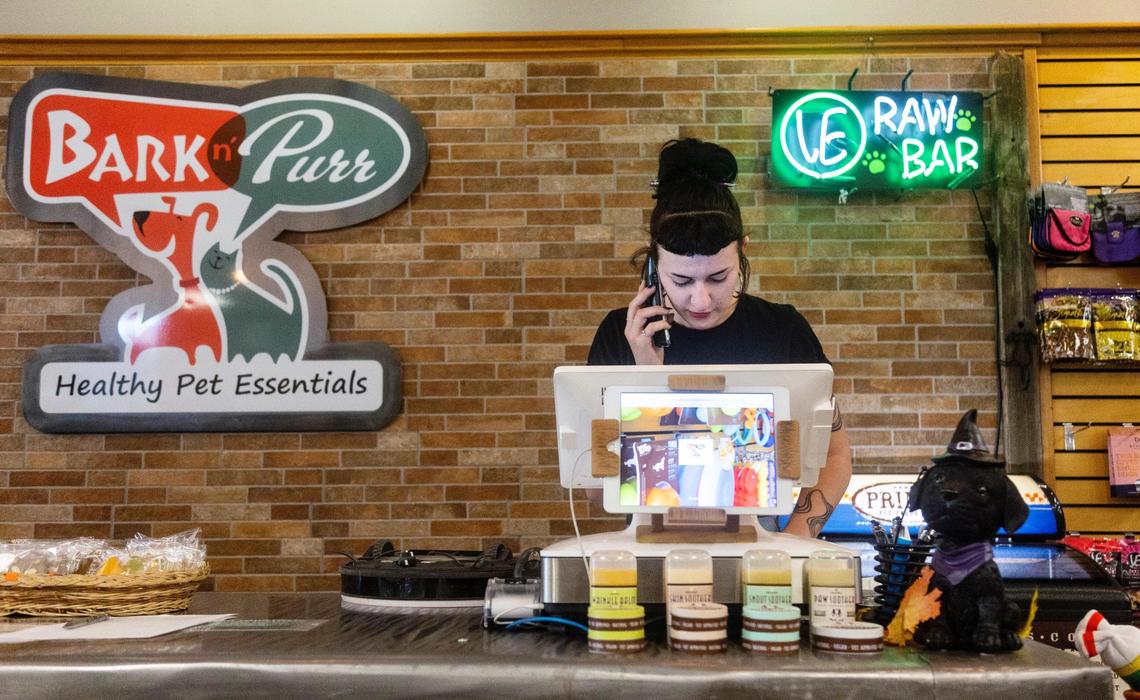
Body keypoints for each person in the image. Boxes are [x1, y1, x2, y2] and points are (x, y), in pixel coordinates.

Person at [587, 137, 852, 538]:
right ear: (652, 263)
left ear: (743, 251)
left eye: (718, 277)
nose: (700, 299)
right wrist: (647, 379)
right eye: (680, 279)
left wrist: (794, 540)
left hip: (760, 554)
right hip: (649, 553)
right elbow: (595, 489)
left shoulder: (782, 331)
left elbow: (834, 455)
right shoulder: (622, 335)